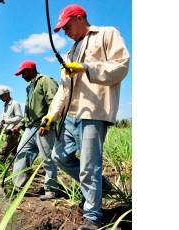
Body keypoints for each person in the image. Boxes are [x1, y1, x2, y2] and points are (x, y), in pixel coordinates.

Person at [39, 4, 130, 229]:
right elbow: (63, 88)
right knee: (59, 155)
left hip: (94, 111)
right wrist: (51, 115)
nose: (66, 32)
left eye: (67, 26)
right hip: (72, 112)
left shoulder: (107, 34)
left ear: (80, 18)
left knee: (89, 166)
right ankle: (101, 187)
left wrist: (86, 67)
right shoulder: (70, 52)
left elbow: (121, 67)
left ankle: (92, 218)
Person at [10, 60, 59, 200]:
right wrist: (20, 126)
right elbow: (28, 112)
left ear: (31, 70)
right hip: (30, 128)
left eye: (23, 72)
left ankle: (51, 190)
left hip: (44, 127)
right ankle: (18, 186)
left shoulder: (46, 81)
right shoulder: (29, 87)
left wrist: (48, 122)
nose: (22, 76)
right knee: (21, 153)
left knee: (48, 158)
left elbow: (54, 103)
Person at [0, 87, 22, 163]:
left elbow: (19, 117)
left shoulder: (15, 104)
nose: (0, 98)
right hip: (6, 133)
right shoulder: (5, 106)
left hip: (12, 133)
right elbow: (2, 122)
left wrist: (6, 121)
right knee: (16, 153)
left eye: (1, 96)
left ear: (7, 94)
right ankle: (24, 168)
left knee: (2, 153)